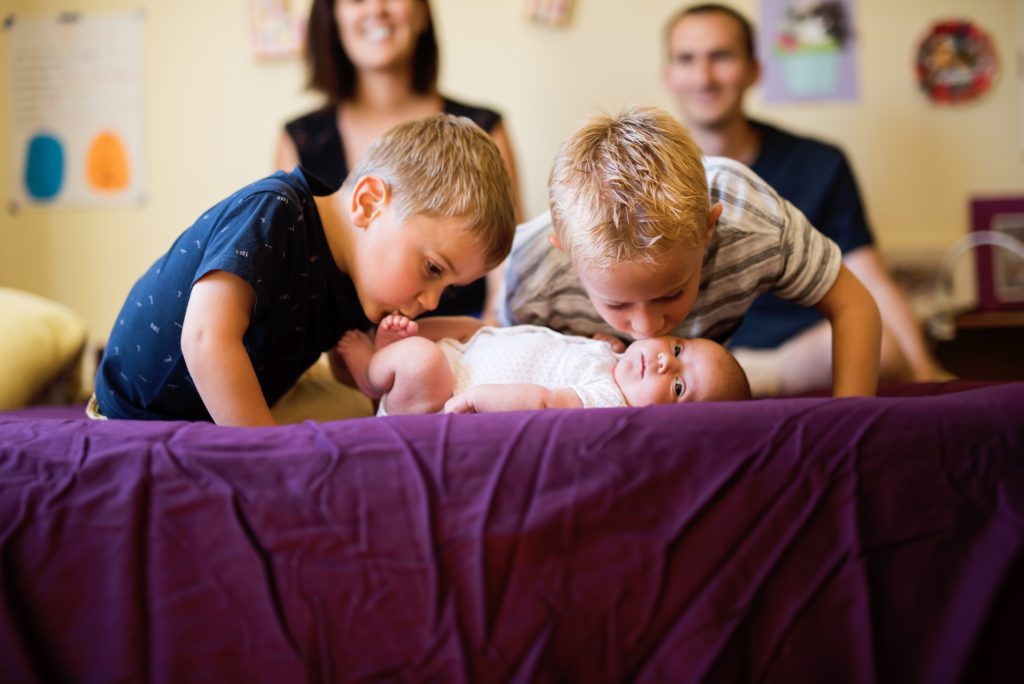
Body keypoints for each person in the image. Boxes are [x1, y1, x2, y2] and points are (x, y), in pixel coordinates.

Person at [93, 114, 516, 426]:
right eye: (432, 268)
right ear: (369, 204)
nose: (430, 300)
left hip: (228, 405)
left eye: (449, 288)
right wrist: (269, 454)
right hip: (142, 411)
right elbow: (205, 339)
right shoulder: (274, 212)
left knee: (359, 419)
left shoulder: (363, 284)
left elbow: (348, 372)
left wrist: (468, 332)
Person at [662, 3, 948, 395]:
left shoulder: (821, 163)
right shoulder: (650, 176)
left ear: (754, 70)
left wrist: (924, 371)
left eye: (721, 56)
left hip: (805, 353)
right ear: (669, 76)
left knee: (884, 352)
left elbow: (869, 280)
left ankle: (744, 385)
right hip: (694, 361)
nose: (704, 76)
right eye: (687, 59)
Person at [502, 105, 881, 398]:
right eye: (617, 305)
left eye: (670, 294)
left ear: (708, 229)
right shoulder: (532, 274)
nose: (648, 328)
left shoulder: (755, 221)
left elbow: (853, 306)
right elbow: (503, 367)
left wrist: (848, 420)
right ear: (566, 254)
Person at [275, 0, 522, 321]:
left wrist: (484, 339)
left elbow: (507, 267)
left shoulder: (485, 128)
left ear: (421, 13)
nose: (376, 8)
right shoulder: (300, 139)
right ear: (333, 18)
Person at [337, 314, 751, 415]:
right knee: (473, 324)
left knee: (422, 360)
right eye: (678, 350)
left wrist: (477, 401)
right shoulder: (614, 362)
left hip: (444, 396)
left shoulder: (609, 403)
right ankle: (393, 354)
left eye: (679, 388)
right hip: (465, 357)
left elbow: (545, 401)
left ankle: (372, 375)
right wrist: (601, 346)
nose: (664, 363)